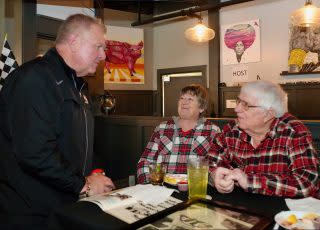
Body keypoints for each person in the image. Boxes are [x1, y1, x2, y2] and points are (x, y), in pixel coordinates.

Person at [0, 14, 115, 229]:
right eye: (98, 47)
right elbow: (35, 152)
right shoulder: (33, 79)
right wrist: (84, 184)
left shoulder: (78, 85)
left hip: (65, 206)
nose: (103, 55)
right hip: (31, 215)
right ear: (74, 41)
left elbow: (79, 143)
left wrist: (93, 174)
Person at [207, 80, 319, 198]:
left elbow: (306, 183)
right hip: (241, 207)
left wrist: (249, 181)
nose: (236, 109)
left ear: (268, 114)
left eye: (245, 104)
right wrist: (213, 176)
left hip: (288, 212)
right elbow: (209, 162)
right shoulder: (232, 130)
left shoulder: (294, 133)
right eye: (238, 101)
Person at [137, 84, 220, 184]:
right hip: (162, 189)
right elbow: (145, 161)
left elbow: (216, 167)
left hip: (195, 189)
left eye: (190, 99)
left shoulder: (213, 131)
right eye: (182, 98)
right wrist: (149, 185)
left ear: (201, 107)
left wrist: (210, 182)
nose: (184, 102)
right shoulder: (162, 128)